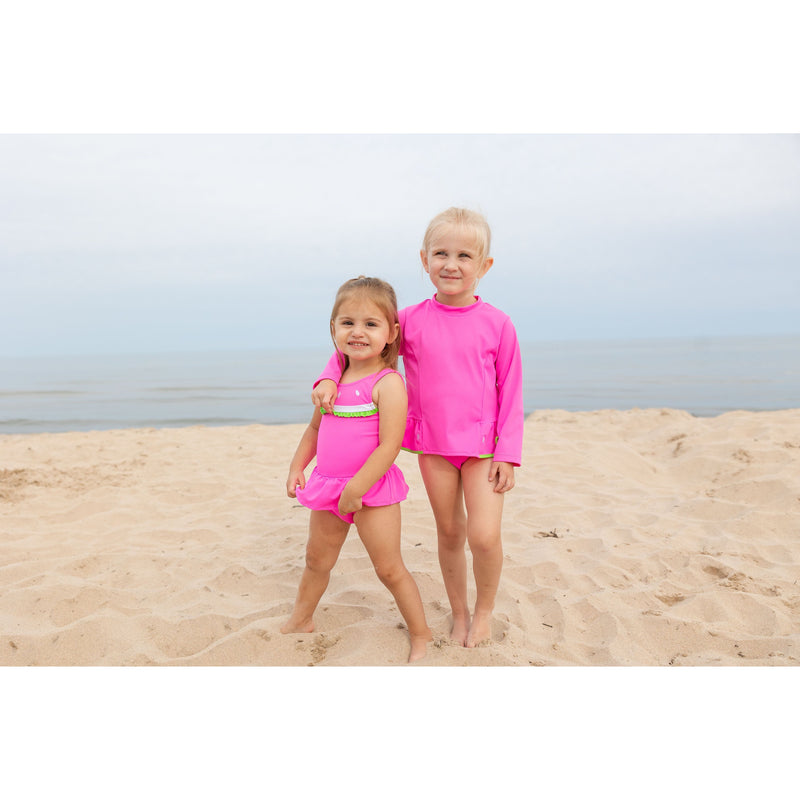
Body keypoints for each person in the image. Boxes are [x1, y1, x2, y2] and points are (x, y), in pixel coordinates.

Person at [313, 208, 523, 648]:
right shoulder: (407, 320)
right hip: (434, 445)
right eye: (441, 253)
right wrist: (330, 376)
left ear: (484, 265)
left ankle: (483, 611)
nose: (452, 264)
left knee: (484, 537)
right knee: (450, 533)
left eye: (465, 255)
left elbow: (512, 391)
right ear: (424, 259)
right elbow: (360, 350)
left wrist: (508, 452)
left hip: (484, 448)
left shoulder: (498, 324)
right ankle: (460, 614)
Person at [282, 276, 432, 663]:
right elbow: (315, 428)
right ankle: (301, 619)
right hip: (328, 487)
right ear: (333, 329)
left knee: (389, 569)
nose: (358, 332)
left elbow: (390, 445)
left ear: (391, 333)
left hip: (372, 490)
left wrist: (357, 489)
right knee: (317, 560)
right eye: (347, 323)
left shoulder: (388, 383)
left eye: (370, 324)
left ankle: (422, 635)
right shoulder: (330, 385)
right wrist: (298, 465)